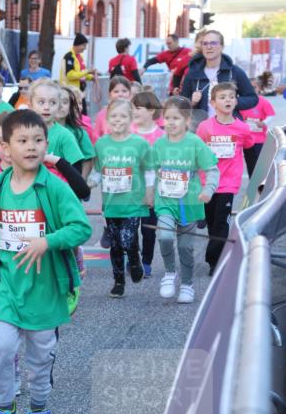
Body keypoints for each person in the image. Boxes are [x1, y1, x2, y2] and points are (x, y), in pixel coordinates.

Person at [0, 110, 91, 414]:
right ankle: (4, 407)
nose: (31, 147)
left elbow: (81, 227)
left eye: (38, 140)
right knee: (3, 346)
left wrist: (47, 241)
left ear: (46, 144)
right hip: (5, 286)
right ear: (4, 148)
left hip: (45, 290)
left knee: (40, 357)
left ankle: (38, 409)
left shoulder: (53, 187)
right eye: (22, 141)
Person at [153, 96, 219, 304]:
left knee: (185, 247)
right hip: (165, 201)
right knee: (164, 236)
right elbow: (149, 171)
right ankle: (170, 273)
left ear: (187, 121)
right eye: (168, 117)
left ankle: (187, 284)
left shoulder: (195, 143)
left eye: (177, 118)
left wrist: (208, 190)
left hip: (190, 203)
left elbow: (211, 170)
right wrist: (146, 193)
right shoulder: (159, 144)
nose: (171, 122)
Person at [89, 101, 154, 297]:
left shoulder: (140, 144)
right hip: (111, 204)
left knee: (127, 239)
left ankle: (134, 258)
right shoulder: (101, 144)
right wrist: (91, 181)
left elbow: (150, 170)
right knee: (116, 245)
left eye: (123, 116)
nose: (118, 120)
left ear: (130, 119)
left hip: (133, 202)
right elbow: (99, 170)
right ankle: (118, 281)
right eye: (114, 116)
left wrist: (149, 192)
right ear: (107, 119)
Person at [196, 83, 254, 275]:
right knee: (212, 222)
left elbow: (250, 151)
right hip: (207, 183)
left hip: (229, 183)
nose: (228, 100)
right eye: (222, 97)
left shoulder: (242, 129)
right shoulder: (205, 127)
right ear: (213, 103)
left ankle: (215, 262)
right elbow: (197, 153)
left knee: (221, 223)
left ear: (236, 101)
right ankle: (217, 254)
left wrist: (255, 180)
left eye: (231, 96)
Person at [180, 29, 258, 126]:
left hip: (229, 128)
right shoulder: (193, 73)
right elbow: (181, 102)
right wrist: (191, 101)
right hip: (202, 129)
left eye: (213, 43)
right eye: (205, 43)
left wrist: (233, 101)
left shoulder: (235, 71)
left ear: (222, 47)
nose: (209, 47)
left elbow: (252, 98)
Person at [131, 90, 164, 276]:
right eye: (133, 108)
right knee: (131, 228)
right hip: (132, 190)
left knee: (148, 229)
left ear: (151, 110)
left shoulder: (161, 135)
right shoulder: (129, 133)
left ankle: (147, 261)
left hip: (153, 191)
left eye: (138, 108)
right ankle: (134, 259)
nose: (134, 111)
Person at [29, 79, 84, 168]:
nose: (46, 107)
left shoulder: (65, 136)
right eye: (41, 102)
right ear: (30, 105)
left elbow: (77, 170)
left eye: (52, 103)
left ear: (58, 106)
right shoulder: (22, 132)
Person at [240, 89, 276, 175]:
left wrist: (264, 123)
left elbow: (271, 115)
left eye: (255, 87)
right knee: (250, 162)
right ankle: (252, 182)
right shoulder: (241, 102)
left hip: (260, 139)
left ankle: (262, 182)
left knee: (260, 163)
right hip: (246, 140)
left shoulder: (262, 101)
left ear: (258, 89)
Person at [92, 75, 133, 141]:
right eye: (116, 91)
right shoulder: (102, 115)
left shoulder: (135, 113)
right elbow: (96, 137)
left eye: (124, 91)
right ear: (109, 94)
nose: (120, 94)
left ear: (130, 94)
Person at [59, 34, 97, 100]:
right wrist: (88, 71)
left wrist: (91, 77)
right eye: (84, 45)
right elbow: (70, 75)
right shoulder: (69, 57)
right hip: (70, 92)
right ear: (78, 44)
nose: (85, 48)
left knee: (83, 110)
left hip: (80, 92)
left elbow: (81, 74)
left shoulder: (80, 57)